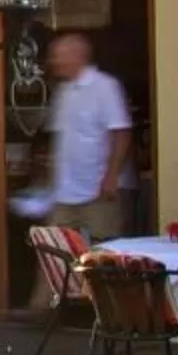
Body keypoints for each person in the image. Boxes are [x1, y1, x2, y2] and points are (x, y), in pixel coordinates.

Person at [36, 30, 133, 243]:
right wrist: (48, 177)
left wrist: (112, 176)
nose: (54, 61)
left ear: (78, 56)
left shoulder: (105, 86)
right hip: (64, 192)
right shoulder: (63, 91)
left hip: (97, 188)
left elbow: (121, 133)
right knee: (56, 249)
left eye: (59, 56)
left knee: (103, 249)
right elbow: (60, 140)